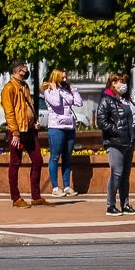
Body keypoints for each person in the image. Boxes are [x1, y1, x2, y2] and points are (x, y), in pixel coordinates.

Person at [0, 59, 47, 208]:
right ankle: (16, 198)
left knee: (38, 160)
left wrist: (33, 122)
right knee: (15, 163)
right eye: (25, 69)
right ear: (19, 70)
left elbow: (27, 107)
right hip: (17, 132)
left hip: (29, 129)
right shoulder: (9, 88)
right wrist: (15, 132)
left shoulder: (25, 86)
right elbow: (9, 112)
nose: (27, 72)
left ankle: (36, 196)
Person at [95, 72, 135, 216]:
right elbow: (101, 121)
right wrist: (117, 131)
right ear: (113, 83)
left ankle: (125, 204)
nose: (124, 85)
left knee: (125, 175)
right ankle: (110, 206)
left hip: (129, 141)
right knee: (117, 173)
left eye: (124, 82)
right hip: (115, 142)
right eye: (120, 82)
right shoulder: (107, 99)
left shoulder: (126, 99)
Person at [43, 69, 83, 197]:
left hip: (69, 127)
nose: (65, 80)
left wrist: (73, 89)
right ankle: (55, 187)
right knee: (55, 156)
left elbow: (78, 102)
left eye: (66, 77)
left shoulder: (66, 90)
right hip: (56, 128)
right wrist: (55, 90)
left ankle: (67, 186)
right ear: (55, 78)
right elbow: (56, 103)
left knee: (67, 157)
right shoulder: (48, 91)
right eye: (62, 78)